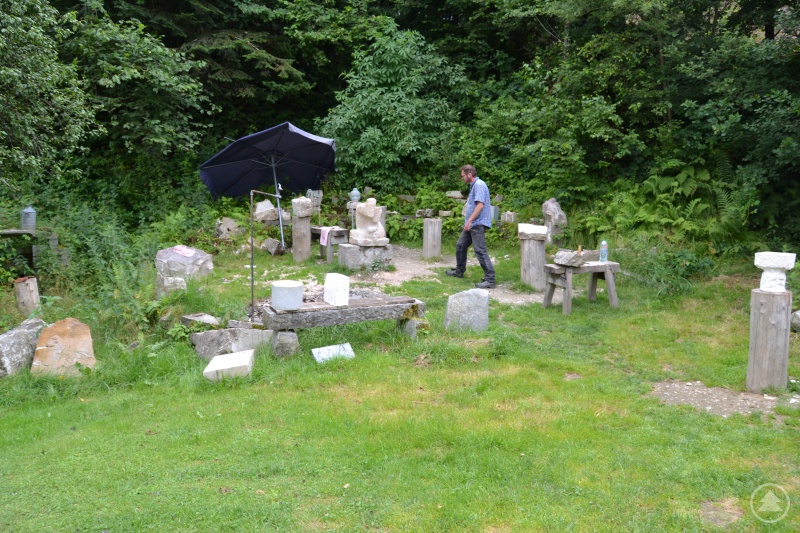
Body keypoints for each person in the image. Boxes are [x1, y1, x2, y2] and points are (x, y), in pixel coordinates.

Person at [446, 164, 496, 288]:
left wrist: (469, 221)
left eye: (463, 176)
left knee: (480, 250)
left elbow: (480, 205)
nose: (462, 178)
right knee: (461, 245)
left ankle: (490, 280)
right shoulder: (474, 185)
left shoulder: (479, 185)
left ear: (469, 174)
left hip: (477, 223)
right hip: (472, 223)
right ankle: (459, 271)